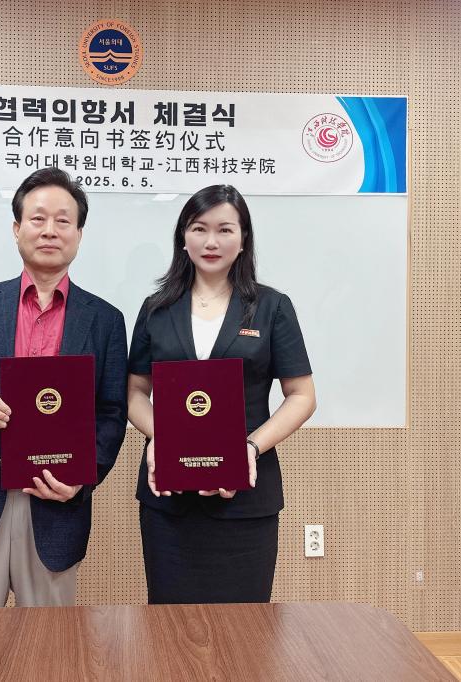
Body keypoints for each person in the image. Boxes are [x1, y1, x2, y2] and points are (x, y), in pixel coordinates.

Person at [0, 167, 128, 610]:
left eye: (63, 220)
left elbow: (112, 412)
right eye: (37, 219)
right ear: (17, 228)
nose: (49, 230)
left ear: (78, 234)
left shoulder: (106, 320)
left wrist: (83, 478)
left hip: (55, 502)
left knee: (50, 643)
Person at [127, 184, 317, 604]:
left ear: (243, 238)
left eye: (225, 230)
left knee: (245, 626)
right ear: (183, 237)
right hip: (169, 498)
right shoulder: (156, 308)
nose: (211, 241)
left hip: (246, 496)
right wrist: (165, 437)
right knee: (170, 622)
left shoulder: (272, 307)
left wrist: (250, 448)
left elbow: (302, 396)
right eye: (199, 228)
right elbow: (135, 392)